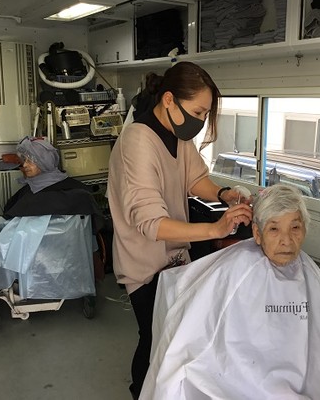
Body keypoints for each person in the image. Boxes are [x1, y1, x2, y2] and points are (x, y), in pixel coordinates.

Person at [140, 184, 320, 399]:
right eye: (274, 229)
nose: (286, 240)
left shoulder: (310, 273)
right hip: (243, 374)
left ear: (305, 230)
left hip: (305, 373)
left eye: (295, 227)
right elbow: (211, 339)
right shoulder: (239, 271)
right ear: (257, 233)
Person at [106, 61, 253, 399]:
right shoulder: (137, 142)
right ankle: (142, 392)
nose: (199, 121)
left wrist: (223, 194)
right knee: (154, 337)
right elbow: (151, 224)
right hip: (144, 263)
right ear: (169, 99)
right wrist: (215, 228)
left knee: (172, 336)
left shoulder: (178, 135)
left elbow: (194, 179)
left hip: (173, 257)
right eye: (197, 112)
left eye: (205, 114)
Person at [0, 137, 104, 302]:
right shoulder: (63, 188)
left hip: (36, 240)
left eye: (31, 161)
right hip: (33, 236)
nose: (24, 165)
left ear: (44, 162)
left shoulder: (65, 194)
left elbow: (16, 218)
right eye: (24, 160)